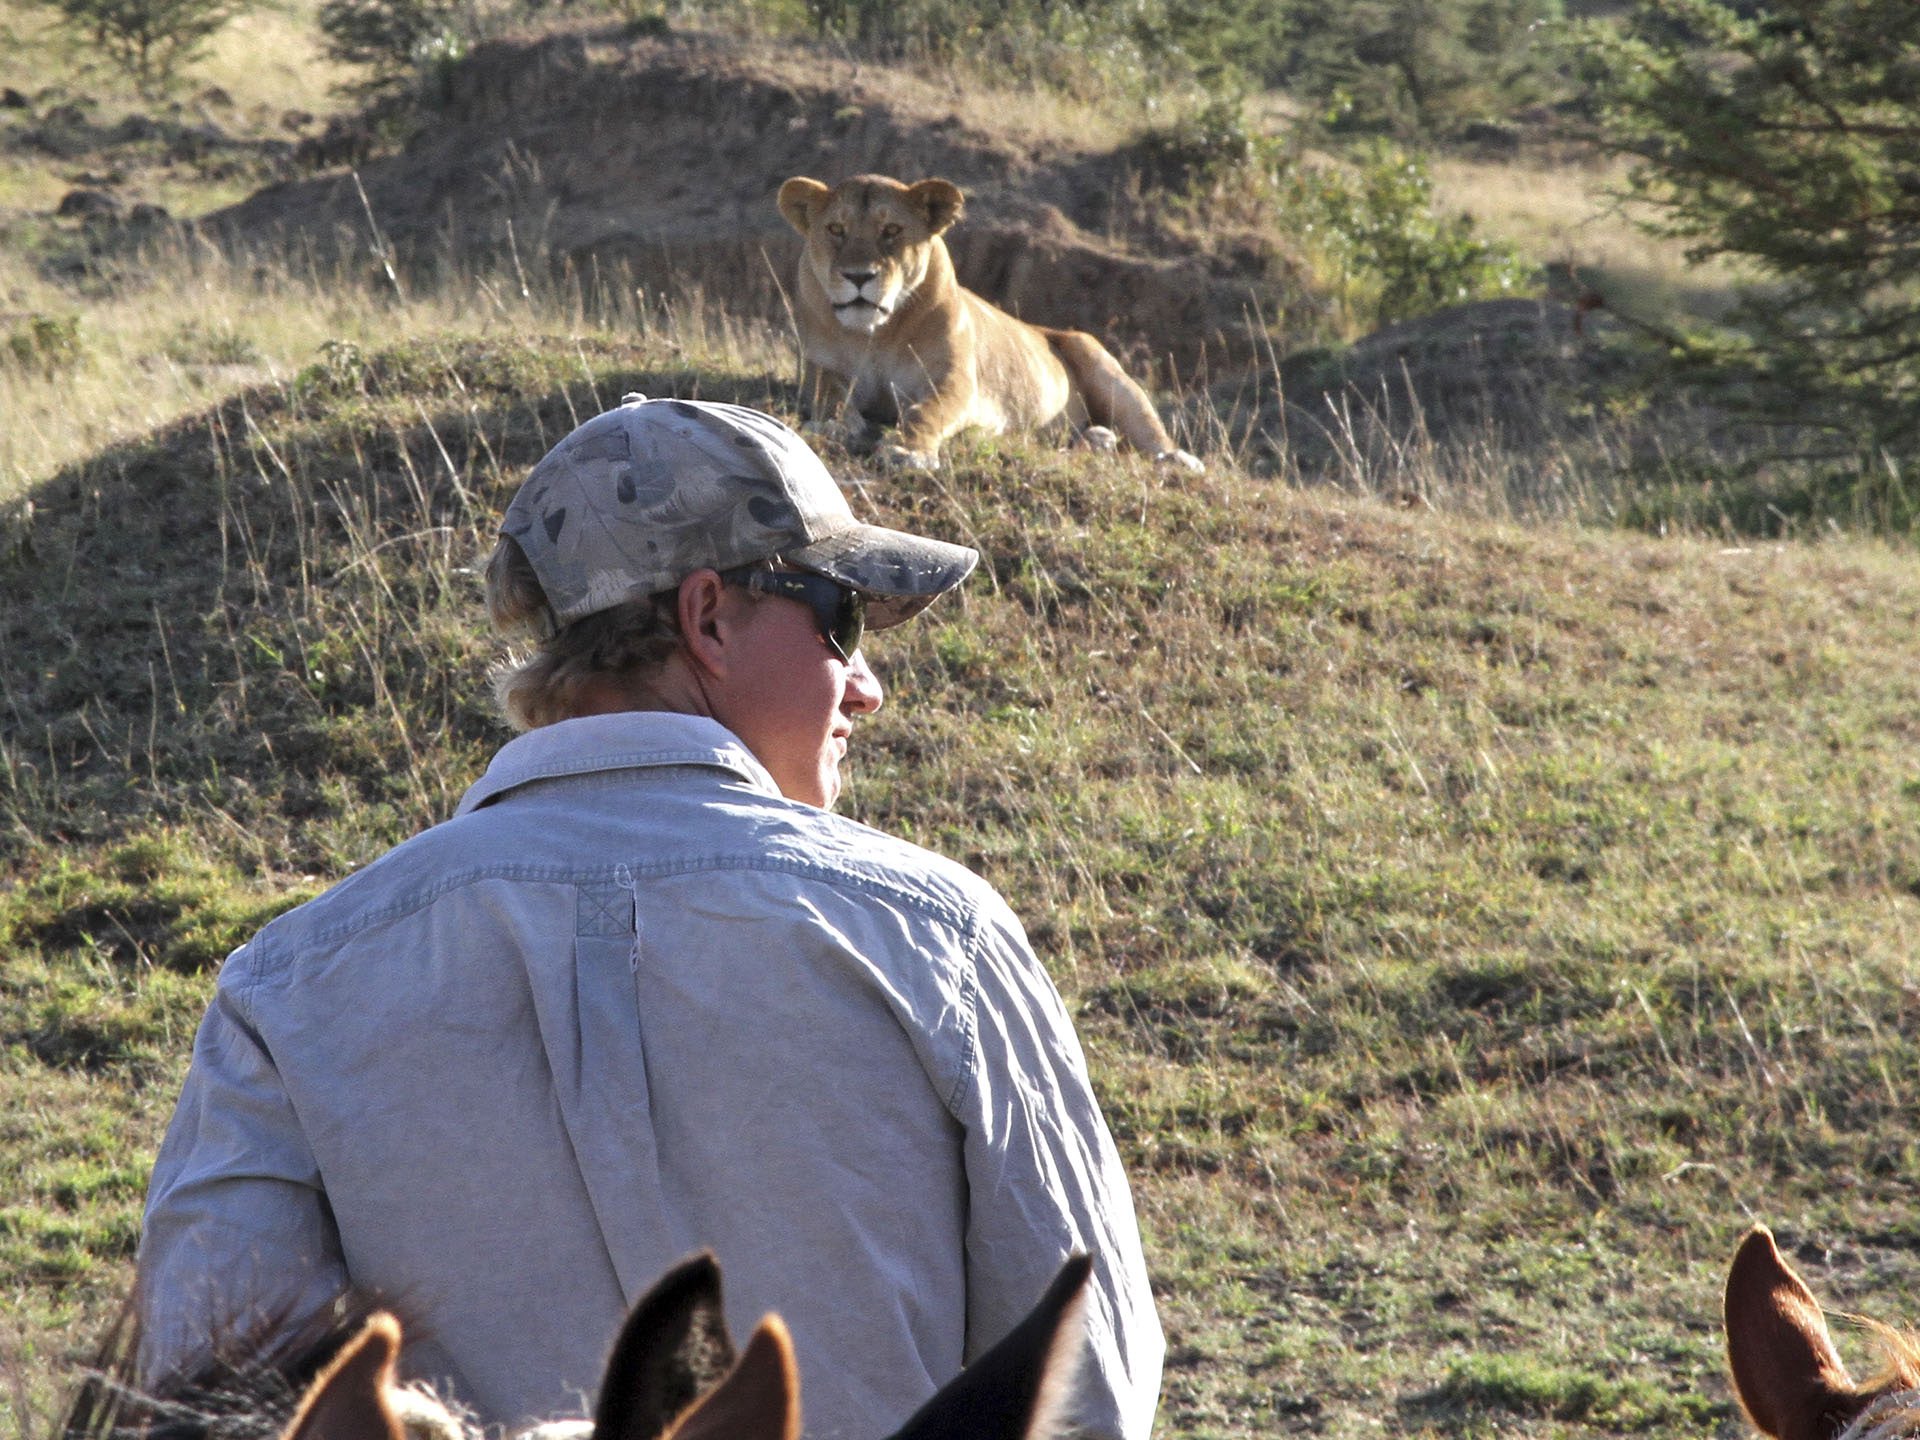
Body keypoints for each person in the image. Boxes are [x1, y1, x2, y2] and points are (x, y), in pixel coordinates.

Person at [137, 395, 1164, 1440]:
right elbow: (1092, 1385)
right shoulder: (934, 937)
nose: (867, 687)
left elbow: (209, 1391)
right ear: (708, 616)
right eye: (839, 618)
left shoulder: (291, 986)